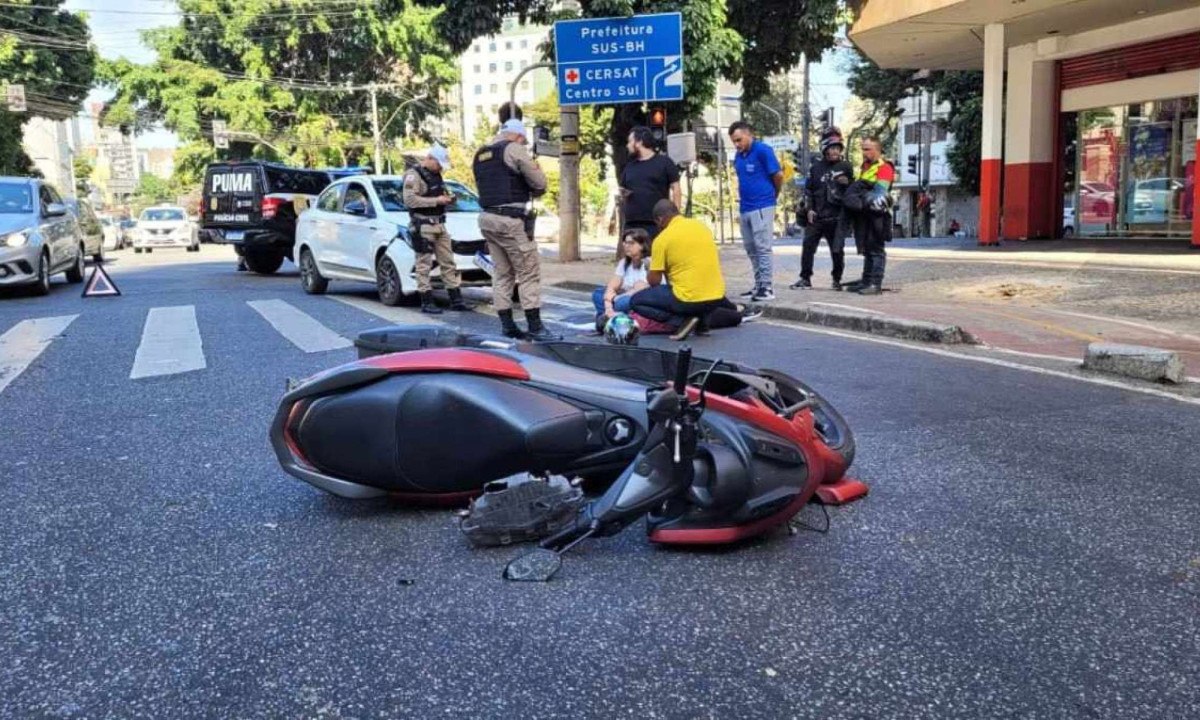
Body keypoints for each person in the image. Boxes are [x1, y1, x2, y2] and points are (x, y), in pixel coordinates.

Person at [472, 118, 554, 341]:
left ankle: (507, 326)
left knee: (502, 273)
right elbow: (539, 184)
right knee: (528, 272)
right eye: (523, 140)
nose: (524, 144)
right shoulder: (514, 149)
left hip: (487, 219)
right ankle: (536, 327)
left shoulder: (480, 155)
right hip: (510, 220)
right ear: (517, 136)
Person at [629, 199, 728, 341]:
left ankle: (680, 321)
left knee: (636, 301)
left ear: (660, 219)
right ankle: (702, 324)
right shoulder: (701, 227)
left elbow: (654, 281)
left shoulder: (662, 239)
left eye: (657, 223)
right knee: (692, 289)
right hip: (717, 296)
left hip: (688, 299)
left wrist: (651, 267)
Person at [402, 144, 469, 314]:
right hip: (423, 224)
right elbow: (410, 200)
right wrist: (436, 201)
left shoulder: (436, 175)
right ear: (430, 158)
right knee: (424, 264)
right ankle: (426, 300)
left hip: (439, 224)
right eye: (439, 164)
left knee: (448, 262)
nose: (440, 168)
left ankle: (456, 299)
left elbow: (439, 194)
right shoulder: (413, 175)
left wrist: (448, 199)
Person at [729, 120, 783, 302]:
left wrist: (772, 196)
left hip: (762, 205)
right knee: (751, 248)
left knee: (762, 247)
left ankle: (767, 287)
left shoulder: (762, 150)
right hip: (745, 206)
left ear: (748, 134)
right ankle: (759, 284)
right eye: (734, 142)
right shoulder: (739, 156)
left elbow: (778, 175)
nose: (737, 145)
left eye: (739, 140)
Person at [792, 133, 854, 290]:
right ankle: (805, 278)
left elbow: (853, 190)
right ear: (825, 150)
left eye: (837, 149)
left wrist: (847, 183)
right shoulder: (816, 168)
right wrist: (810, 209)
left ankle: (837, 280)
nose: (835, 152)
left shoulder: (846, 167)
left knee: (837, 250)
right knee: (807, 246)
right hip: (817, 217)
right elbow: (809, 190)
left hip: (837, 217)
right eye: (832, 148)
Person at [844, 136, 895, 295]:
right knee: (867, 248)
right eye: (863, 149)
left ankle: (875, 284)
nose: (864, 152)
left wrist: (859, 196)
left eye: (867, 149)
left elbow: (879, 193)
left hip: (877, 214)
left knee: (876, 249)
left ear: (877, 150)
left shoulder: (885, 167)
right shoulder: (866, 167)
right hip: (865, 214)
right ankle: (866, 281)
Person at [619, 126, 681, 244]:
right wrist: (623, 194)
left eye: (630, 141)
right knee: (633, 260)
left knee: (655, 259)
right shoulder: (629, 166)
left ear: (639, 142)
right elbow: (623, 189)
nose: (627, 145)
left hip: (656, 223)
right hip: (632, 224)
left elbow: (676, 188)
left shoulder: (664, 162)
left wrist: (675, 217)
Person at [593, 227, 652, 324]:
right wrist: (608, 307)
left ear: (642, 245)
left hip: (638, 299)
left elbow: (639, 289)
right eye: (625, 242)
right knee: (598, 293)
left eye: (631, 243)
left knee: (622, 303)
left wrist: (615, 299)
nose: (627, 246)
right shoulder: (624, 262)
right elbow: (612, 286)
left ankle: (604, 317)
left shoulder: (649, 262)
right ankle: (611, 316)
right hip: (621, 297)